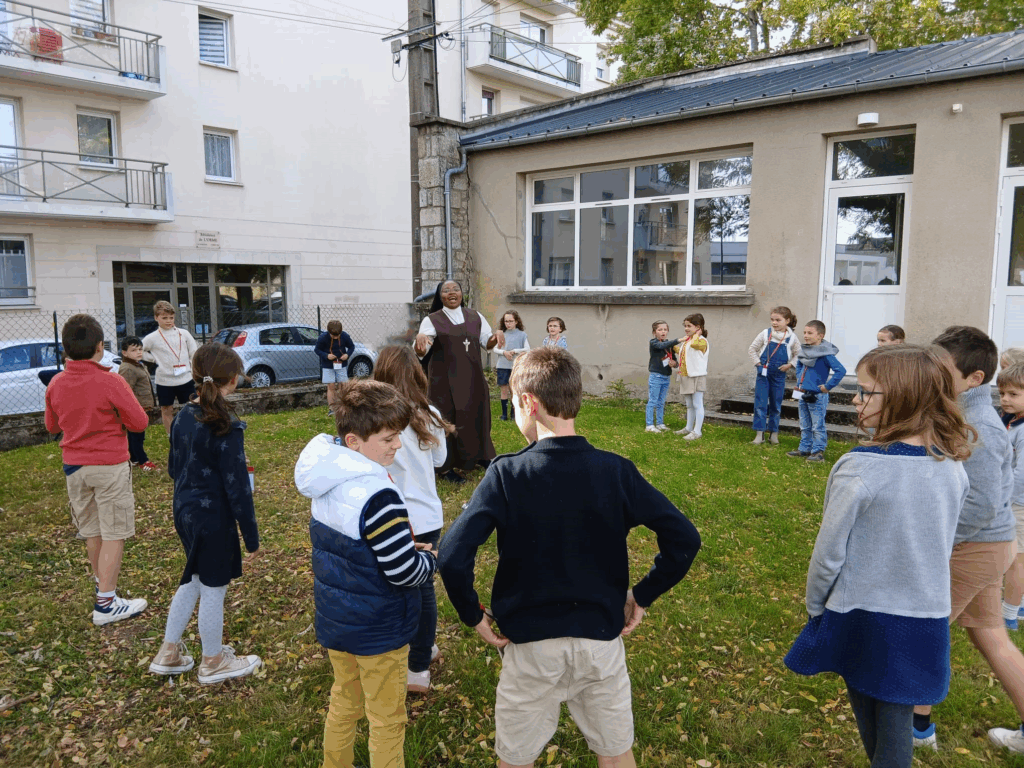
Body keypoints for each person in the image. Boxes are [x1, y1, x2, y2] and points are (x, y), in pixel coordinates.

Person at [437, 346, 701, 768]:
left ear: (528, 403)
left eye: (515, 403)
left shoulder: (506, 474)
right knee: (616, 755)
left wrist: (472, 614)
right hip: (600, 643)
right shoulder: (616, 471)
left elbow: (452, 556)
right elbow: (684, 538)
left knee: (516, 760)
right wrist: (643, 594)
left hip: (530, 648)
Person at [784, 344, 971, 768]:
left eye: (866, 392)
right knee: (893, 723)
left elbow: (828, 554)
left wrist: (816, 607)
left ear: (903, 397)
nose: (855, 399)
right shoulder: (952, 467)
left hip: (863, 615)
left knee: (881, 733)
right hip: (925, 615)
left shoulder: (861, 467)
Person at [294, 379, 438, 768]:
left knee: (344, 700)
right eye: (389, 438)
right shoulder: (379, 497)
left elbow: (358, 550)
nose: (398, 445)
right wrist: (429, 560)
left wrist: (402, 550)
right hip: (380, 631)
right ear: (354, 441)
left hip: (339, 623)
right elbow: (404, 572)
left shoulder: (327, 481)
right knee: (387, 719)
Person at [911, 326, 1024, 755]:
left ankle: (916, 729)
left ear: (974, 378)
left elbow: (981, 503)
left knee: (923, 630)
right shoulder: (959, 412)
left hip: (976, 547)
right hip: (987, 546)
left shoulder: (980, 426)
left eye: (941, 367)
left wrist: (937, 543)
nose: (931, 372)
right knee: (990, 636)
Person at [149, 343, 262, 684]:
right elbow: (238, 488)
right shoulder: (226, 424)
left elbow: (174, 468)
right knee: (214, 587)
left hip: (184, 512)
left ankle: (169, 652)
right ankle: (212, 661)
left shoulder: (182, 416)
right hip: (213, 519)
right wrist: (252, 539)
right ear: (233, 379)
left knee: (194, 578)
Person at [44, 314, 150, 626]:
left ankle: (103, 587)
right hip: (109, 465)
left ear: (65, 349)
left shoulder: (56, 383)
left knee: (92, 531)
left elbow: (52, 426)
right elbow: (139, 422)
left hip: (74, 467)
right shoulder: (111, 381)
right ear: (100, 347)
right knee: (114, 532)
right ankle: (106, 603)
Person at [372, 345, 455, 694]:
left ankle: (418, 664)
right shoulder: (429, 414)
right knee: (420, 588)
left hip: (393, 518)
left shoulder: (374, 419)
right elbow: (440, 460)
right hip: (426, 516)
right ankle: (423, 647)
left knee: (410, 590)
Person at [414, 280, 504, 483]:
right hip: (444, 383)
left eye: (456, 289)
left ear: (462, 293)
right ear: (440, 296)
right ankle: (445, 468)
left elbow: (486, 342)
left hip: (473, 378)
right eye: (446, 290)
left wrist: (496, 337)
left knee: (476, 416)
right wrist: (420, 342)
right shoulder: (432, 320)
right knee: (446, 420)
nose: (452, 293)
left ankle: (479, 456)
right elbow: (421, 351)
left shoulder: (475, 316)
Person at [787, 320, 846, 462]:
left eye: (810, 333)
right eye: (804, 332)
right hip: (803, 394)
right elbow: (800, 365)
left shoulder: (826, 354)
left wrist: (828, 386)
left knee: (817, 425)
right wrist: (800, 381)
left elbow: (841, 370)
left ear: (820, 336)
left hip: (817, 396)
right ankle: (804, 448)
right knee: (804, 424)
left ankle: (818, 452)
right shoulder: (804, 351)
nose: (806, 336)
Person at [142, 300, 198, 436]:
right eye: (164, 318)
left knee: (193, 406)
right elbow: (140, 349)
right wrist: (153, 359)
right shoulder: (152, 338)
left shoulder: (184, 334)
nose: (168, 321)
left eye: (171, 318)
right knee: (166, 409)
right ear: (156, 318)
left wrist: (192, 368)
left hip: (185, 378)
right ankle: (171, 436)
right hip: (164, 381)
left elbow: (194, 352)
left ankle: (192, 433)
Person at [748, 306, 800, 445]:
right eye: (772, 320)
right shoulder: (765, 334)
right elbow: (752, 349)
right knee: (760, 404)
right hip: (763, 374)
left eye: (778, 320)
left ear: (787, 321)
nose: (774, 323)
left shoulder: (792, 338)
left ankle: (774, 433)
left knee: (776, 405)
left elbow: (799, 354)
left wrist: (790, 365)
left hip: (779, 375)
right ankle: (759, 434)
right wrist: (758, 364)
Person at [999, 362, 1024, 631]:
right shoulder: (1013, 422)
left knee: (1016, 560)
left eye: (1013, 394)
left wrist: (1004, 501)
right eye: (1002, 393)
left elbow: (1021, 474)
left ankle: (1009, 615)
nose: (1005, 399)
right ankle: (1020, 603)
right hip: (1016, 501)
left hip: (1018, 504)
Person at [117, 336, 158, 472]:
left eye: (140, 349)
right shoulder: (128, 369)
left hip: (142, 405)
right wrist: (131, 408)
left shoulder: (138, 364)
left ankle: (133, 458)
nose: (139, 352)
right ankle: (142, 460)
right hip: (136, 407)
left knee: (136, 434)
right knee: (137, 435)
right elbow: (126, 391)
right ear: (124, 353)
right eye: (134, 350)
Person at [672, 313, 710, 440]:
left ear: (698, 327)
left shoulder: (702, 341)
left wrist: (697, 334)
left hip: (697, 376)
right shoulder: (688, 341)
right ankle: (689, 427)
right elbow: (684, 352)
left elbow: (694, 345)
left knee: (697, 404)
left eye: (689, 326)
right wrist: (672, 346)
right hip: (686, 376)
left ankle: (697, 431)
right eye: (685, 326)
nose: (686, 328)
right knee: (689, 404)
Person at [646, 321, 685, 433]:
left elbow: (675, 361)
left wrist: (674, 364)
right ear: (654, 332)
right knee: (653, 401)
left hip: (666, 377)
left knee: (661, 401)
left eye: (665, 329)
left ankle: (660, 423)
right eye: (660, 330)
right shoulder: (654, 343)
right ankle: (649, 425)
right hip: (656, 376)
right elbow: (661, 345)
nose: (663, 332)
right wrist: (679, 340)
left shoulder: (669, 345)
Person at [494, 310, 530, 422]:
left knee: (514, 391)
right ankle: (504, 414)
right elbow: (495, 349)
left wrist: (514, 351)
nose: (508, 323)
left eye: (511, 321)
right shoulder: (501, 334)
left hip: (516, 366)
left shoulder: (522, 335)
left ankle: (514, 414)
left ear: (516, 321)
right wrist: (504, 352)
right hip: (503, 366)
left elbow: (527, 349)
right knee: (504, 390)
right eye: (506, 321)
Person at [315, 319, 355, 415]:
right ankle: (332, 409)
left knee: (343, 385)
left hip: (341, 364)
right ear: (329, 332)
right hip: (328, 365)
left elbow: (351, 347)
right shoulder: (323, 337)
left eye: (338, 335)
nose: (336, 337)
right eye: (334, 336)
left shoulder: (345, 336)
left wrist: (347, 355)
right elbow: (317, 350)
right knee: (331, 386)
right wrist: (326, 355)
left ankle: (344, 407)